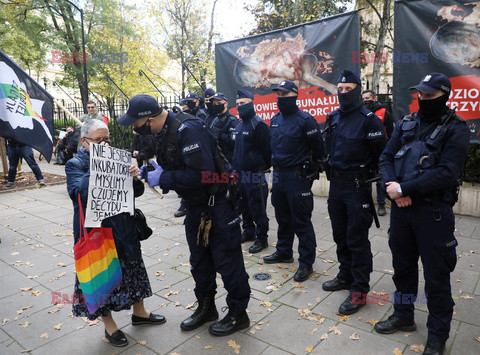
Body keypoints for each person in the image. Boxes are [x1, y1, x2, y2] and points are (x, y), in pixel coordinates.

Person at [118, 94, 251, 336]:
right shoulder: (166, 132)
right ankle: (206, 307)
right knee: (200, 262)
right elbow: (178, 166)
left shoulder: (187, 129)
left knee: (228, 263)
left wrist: (164, 178)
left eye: (136, 124)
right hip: (196, 207)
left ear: (147, 119)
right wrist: (153, 171)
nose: (135, 129)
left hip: (217, 206)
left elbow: (204, 174)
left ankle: (238, 314)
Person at [376, 73, 470, 355]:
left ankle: (437, 336)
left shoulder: (457, 128)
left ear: (444, 96)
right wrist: (393, 188)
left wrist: (405, 189)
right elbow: (385, 158)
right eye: (421, 94)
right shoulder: (407, 122)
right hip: (402, 213)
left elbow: (446, 172)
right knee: (403, 270)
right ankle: (403, 315)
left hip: (433, 215)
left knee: (436, 277)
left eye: (429, 96)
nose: (423, 100)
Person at [65, 119, 165, 347]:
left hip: (123, 225)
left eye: (106, 139)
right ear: (84, 141)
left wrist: (133, 176)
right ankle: (109, 325)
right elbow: (78, 194)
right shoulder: (75, 164)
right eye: (98, 141)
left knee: (132, 267)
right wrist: (98, 167)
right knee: (103, 275)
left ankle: (140, 313)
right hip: (96, 231)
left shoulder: (118, 158)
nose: (104, 144)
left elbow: (135, 193)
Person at [322, 70, 386, 315]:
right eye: (340, 89)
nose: (343, 93)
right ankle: (345, 276)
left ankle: (359, 291)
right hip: (336, 186)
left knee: (357, 240)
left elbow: (382, 156)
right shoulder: (334, 117)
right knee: (340, 235)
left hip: (357, 188)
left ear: (358, 90)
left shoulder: (369, 119)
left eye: (349, 89)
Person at [263, 80, 325, 282]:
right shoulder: (275, 119)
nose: (280, 98)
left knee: (301, 220)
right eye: (278, 94)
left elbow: (319, 149)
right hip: (279, 176)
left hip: (297, 177)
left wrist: (310, 171)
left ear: (295, 95)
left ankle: (306, 262)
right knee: (282, 217)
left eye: (285, 94)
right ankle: (284, 251)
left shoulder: (305, 120)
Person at [232, 89, 271, 253]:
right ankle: (249, 232)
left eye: (243, 103)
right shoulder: (239, 125)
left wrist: (259, 168)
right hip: (240, 175)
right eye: (238, 104)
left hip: (255, 175)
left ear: (251, 103)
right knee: (244, 206)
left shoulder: (259, 124)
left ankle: (262, 239)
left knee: (258, 208)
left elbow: (268, 152)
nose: (240, 106)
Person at [362, 89, 394, 216]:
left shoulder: (384, 113)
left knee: (380, 179)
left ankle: (381, 204)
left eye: (367, 98)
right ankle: (367, 203)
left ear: (374, 98)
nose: (365, 101)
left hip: (381, 152)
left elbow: (392, 134)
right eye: (363, 99)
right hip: (365, 152)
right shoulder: (360, 113)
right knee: (366, 178)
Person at [208, 92, 239, 163]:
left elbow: (234, 143)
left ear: (226, 103)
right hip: (217, 159)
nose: (216, 105)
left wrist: (221, 134)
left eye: (219, 103)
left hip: (229, 160)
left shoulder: (232, 120)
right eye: (214, 104)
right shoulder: (215, 120)